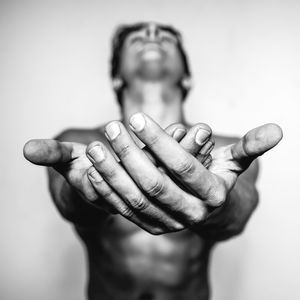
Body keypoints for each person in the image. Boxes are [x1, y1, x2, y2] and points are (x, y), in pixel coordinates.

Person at [23, 22, 283, 300]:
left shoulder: (226, 151)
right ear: (116, 79)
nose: (152, 34)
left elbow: (237, 217)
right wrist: (87, 191)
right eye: (137, 36)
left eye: (166, 36)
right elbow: (69, 205)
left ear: (187, 79)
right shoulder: (79, 143)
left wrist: (217, 197)